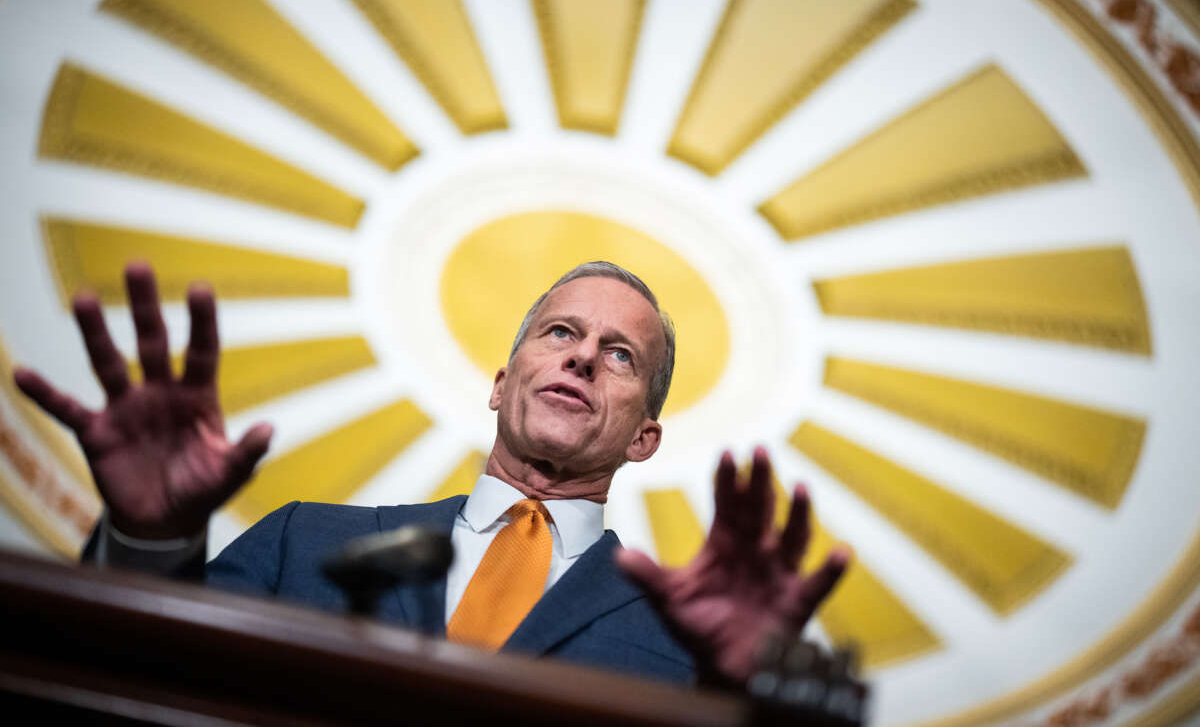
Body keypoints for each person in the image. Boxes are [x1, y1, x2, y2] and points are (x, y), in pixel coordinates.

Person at [13, 260, 849, 686]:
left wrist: (757, 689)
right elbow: (138, 682)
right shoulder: (303, 540)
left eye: (620, 354)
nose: (585, 356)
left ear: (645, 439)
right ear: (501, 381)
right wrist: (149, 537)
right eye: (559, 333)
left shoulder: (686, 638)